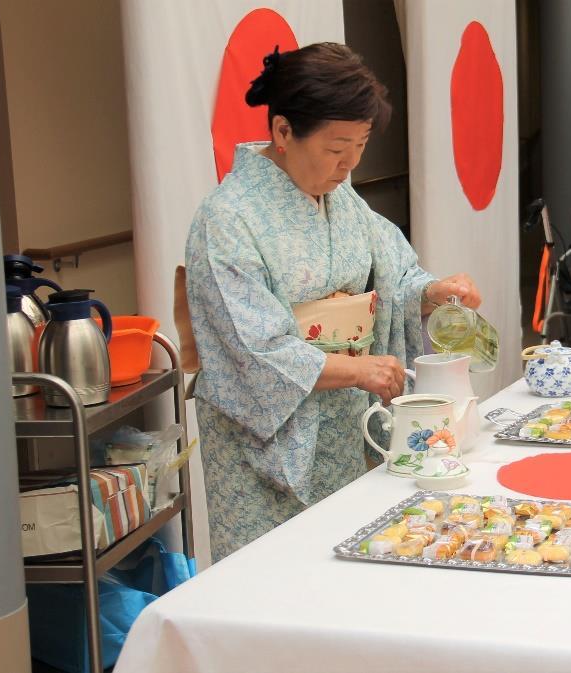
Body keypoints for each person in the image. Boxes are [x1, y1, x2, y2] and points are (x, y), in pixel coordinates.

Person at [186, 43, 481, 561]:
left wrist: (432, 292)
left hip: (342, 422)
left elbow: (394, 273)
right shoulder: (227, 219)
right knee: (271, 575)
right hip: (265, 444)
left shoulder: (340, 197)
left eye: (361, 144)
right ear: (282, 132)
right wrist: (358, 371)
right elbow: (254, 348)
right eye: (336, 146)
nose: (350, 162)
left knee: (346, 557)